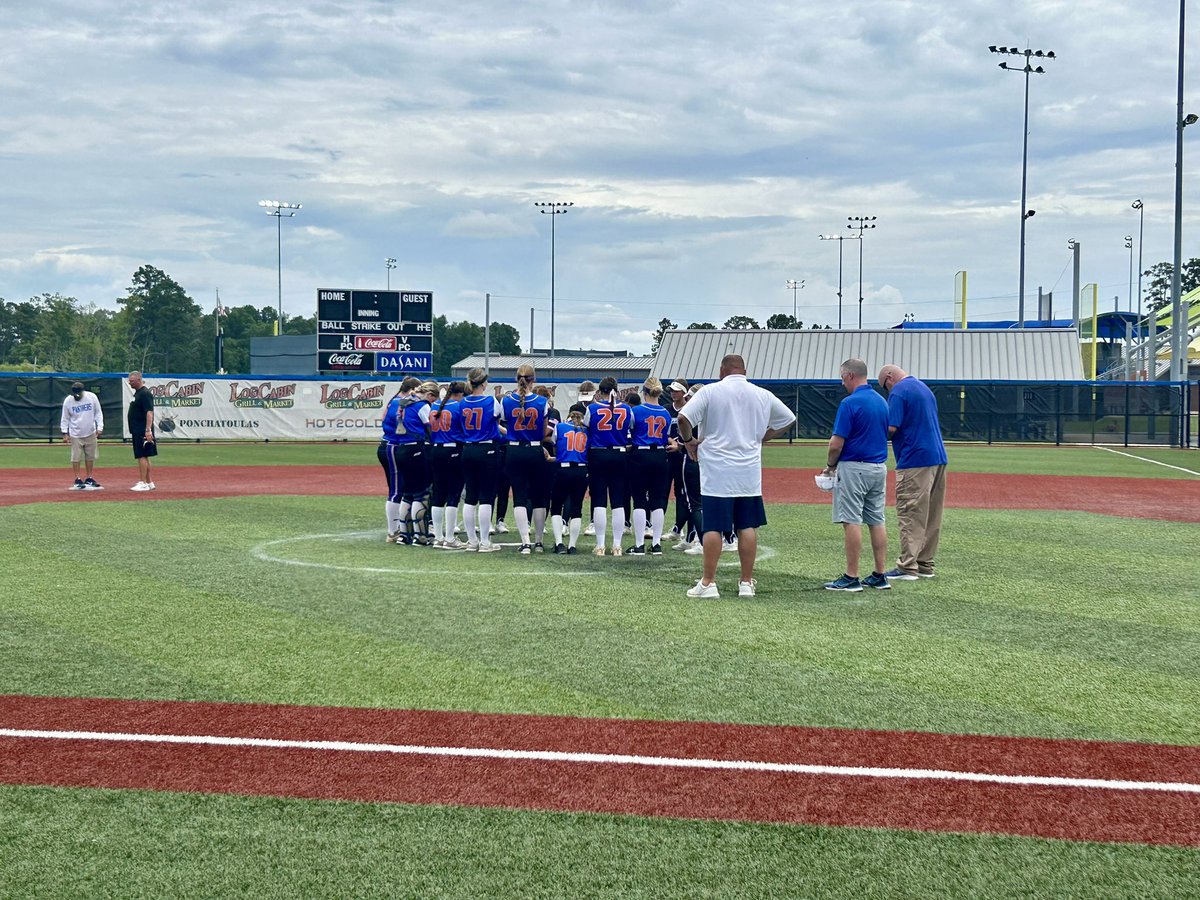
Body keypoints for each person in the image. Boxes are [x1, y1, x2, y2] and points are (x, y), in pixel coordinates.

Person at [676, 355, 796, 599]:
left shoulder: (710, 391)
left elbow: (683, 418)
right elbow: (789, 418)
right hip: (748, 471)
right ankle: (745, 582)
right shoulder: (761, 394)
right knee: (747, 525)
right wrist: (766, 436)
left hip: (717, 470)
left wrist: (689, 442)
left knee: (713, 526)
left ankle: (708, 583)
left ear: (722, 369)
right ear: (744, 370)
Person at [822, 358, 891, 592]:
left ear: (850, 376)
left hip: (854, 467)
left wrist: (830, 465)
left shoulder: (849, 403)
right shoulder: (882, 402)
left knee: (851, 519)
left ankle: (852, 576)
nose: (842, 383)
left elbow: (836, 443)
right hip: (878, 467)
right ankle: (880, 574)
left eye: (843, 378)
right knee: (876, 519)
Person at [877, 364, 949, 580]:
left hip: (915, 458)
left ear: (889, 378)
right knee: (932, 514)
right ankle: (924, 563)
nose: (887, 391)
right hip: (938, 457)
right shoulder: (923, 388)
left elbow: (891, 427)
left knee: (910, 511)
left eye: (884, 386)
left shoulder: (899, 391)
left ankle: (907, 566)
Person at [502, 364, 554, 554]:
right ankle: (539, 542)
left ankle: (525, 542)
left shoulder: (507, 401)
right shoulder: (542, 402)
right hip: (534, 451)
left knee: (519, 498)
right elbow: (543, 432)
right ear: (534, 379)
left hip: (514, 451)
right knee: (538, 497)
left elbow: (505, 424)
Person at [584, 376, 633, 556]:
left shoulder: (592, 408)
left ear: (600, 390)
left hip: (598, 454)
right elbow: (631, 429)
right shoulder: (627, 409)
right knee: (618, 501)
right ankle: (617, 545)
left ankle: (600, 545)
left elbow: (586, 429)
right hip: (619, 454)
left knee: (599, 502)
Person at [378, 376, 430, 544]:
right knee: (399, 490)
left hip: (393, 445)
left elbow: (383, 419)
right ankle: (394, 531)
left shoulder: (395, 401)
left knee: (403, 489)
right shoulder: (404, 403)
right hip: (395, 445)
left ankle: (400, 529)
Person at [459, 368, 504, 551]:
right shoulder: (490, 400)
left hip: (468, 448)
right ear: (484, 383)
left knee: (470, 497)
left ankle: (472, 541)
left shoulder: (463, 402)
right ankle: (485, 542)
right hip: (487, 449)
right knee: (486, 496)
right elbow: (498, 420)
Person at [627, 377, 672, 555]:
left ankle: (639, 545)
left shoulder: (636, 410)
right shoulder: (666, 413)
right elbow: (666, 435)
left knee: (639, 499)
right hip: (660, 455)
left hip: (640, 454)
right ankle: (656, 543)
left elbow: (629, 431)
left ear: (645, 392)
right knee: (657, 500)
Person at [429, 381, 467, 549]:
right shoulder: (458, 407)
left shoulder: (435, 405)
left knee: (438, 494)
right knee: (453, 495)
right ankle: (449, 538)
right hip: (453, 450)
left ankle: (438, 537)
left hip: (436, 450)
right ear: (460, 394)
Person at [549, 402, 589, 554]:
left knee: (557, 507)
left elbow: (555, 445)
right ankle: (572, 545)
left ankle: (559, 543)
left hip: (563, 469)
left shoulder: (560, 427)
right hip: (581, 470)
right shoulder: (587, 431)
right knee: (576, 508)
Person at [61, 380, 104, 490]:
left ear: (82, 391)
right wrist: (65, 433)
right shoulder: (68, 401)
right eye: (74, 394)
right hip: (75, 433)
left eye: (78, 394)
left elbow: (98, 413)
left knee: (90, 456)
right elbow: (65, 418)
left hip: (90, 431)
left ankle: (89, 478)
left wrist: (100, 427)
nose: (77, 396)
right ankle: (77, 479)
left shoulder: (92, 397)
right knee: (76, 456)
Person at [127, 371, 157, 491]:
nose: (130, 383)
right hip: (138, 429)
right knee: (145, 455)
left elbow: (149, 412)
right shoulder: (138, 393)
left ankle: (143, 482)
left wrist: (148, 430)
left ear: (139, 380)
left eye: (132, 381)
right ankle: (149, 482)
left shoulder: (145, 394)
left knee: (141, 455)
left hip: (142, 430)